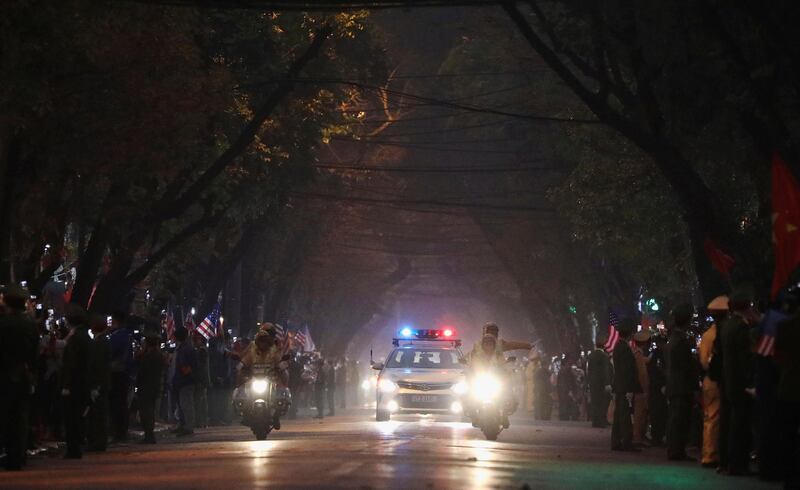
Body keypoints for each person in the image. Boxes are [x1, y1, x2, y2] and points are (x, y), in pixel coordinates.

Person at [0, 285, 39, 470]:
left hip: (5, 373)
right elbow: (34, 352)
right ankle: (18, 455)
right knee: (21, 417)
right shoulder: (30, 323)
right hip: (23, 373)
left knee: (5, 416)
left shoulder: (3, 323)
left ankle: (7, 453)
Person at [720, 290, 757, 475]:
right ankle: (738, 464)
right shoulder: (741, 327)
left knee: (733, 423)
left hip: (729, 380)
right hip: (740, 382)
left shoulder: (726, 326)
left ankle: (730, 461)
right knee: (740, 425)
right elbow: (744, 359)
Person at [665, 303, 699, 461]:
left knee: (675, 419)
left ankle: (674, 449)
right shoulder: (681, 341)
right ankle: (677, 450)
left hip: (674, 384)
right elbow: (687, 367)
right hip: (681, 386)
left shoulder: (673, 339)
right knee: (680, 419)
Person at [699, 296, 727, 468]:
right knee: (715, 417)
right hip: (717, 380)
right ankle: (710, 455)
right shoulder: (720, 334)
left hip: (709, 379)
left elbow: (703, 361)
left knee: (710, 417)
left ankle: (709, 452)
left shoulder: (707, 334)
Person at [61, 305, 91, 459]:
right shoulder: (85, 336)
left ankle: (73, 448)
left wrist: (66, 384)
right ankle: (76, 446)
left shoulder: (76, 338)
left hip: (74, 383)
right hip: (82, 382)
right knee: (77, 416)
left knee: (72, 417)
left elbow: (70, 363)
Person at [611, 317, 640, 451]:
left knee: (619, 416)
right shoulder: (624, 348)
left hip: (620, 386)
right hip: (624, 386)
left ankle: (617, 441)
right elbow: (627, 370)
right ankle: (625, 442)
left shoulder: (619, 347)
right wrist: (630, 388)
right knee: (624, 416)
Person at [86, 313, 111, 452]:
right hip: (101, 383)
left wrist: (96, 385)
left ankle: (98, 442)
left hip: (99, 384)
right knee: (98, 414)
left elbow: (98, 365)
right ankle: (99, 441)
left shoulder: (100, 343)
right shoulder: (102, 341)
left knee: (98, 415)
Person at [107, 311, 132, 442]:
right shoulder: (126, 335)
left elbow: (109, 352)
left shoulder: (118, 336)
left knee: (118, 404)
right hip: (123, 373)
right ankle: (121, 432)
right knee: (121, 404)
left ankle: (119, 432)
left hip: (118, 373)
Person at [136, 327, 163, 444]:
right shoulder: (157, 354)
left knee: (146, 412)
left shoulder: (151, 356)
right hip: (152, 386)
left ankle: (149, 435)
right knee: (148, 411)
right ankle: (149, 434)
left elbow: (143, 371)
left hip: (147, 387)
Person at [172, 326, 197, 436]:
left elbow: (188, 366)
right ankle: (182, 425)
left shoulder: (185, 349)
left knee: (186, 404)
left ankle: (188, 427)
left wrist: (185, 371)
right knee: (181, 405)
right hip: (180, 381)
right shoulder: (183, 348)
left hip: (185, 381)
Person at [632, 330, 651, 447]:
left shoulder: (637, 353)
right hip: (641, 388)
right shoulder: (638, 354)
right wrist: (645, 388)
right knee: (640, 414)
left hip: (639, 388)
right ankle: (638, 437)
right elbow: (642, 374)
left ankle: (638, 436)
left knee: (640, 413)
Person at [648, 335, 668, 447]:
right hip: (658, 387)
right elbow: (657, 370)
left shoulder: (657, 353)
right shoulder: (658, 354)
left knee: (660, 413)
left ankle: (658, 436)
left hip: (658, 387)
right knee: (658, 413)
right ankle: (657, 437)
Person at [587, 339, 612, 428]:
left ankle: (595, 421)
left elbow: (589, 370)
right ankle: (602, 421)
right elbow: (605, 371)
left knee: (595, 402)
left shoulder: (590, 355)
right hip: (602, 383)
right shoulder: (604, 356)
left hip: (593, 383)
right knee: (603, 402)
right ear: (604, 346)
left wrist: (588, 382)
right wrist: (607, 383)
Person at [192, 331, 210, 429]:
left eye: (196, 340)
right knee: (201, 402)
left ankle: (201, 422)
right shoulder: (201, 350)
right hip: (201, 380)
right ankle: (202, 422)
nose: (194, 341)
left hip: (201, 380)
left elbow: (200, 367)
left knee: (199, 402)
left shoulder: (202, 351)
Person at [557, 353, 579, 421]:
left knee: (566, 406)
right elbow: (565, 382)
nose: (572, 361)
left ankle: (565, 417)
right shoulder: (564, 371)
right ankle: (565, 418)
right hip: (565, 392)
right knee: (565, 406)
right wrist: (569, 391)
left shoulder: (566, 370)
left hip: (565, 391)